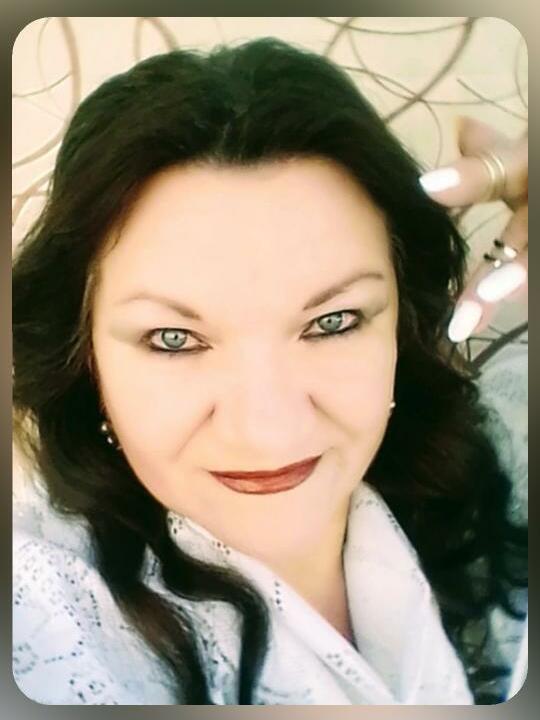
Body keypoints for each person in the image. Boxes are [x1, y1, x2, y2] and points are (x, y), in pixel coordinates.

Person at [12, 37, 527, 705]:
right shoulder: (44, 616)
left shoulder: (502, 461)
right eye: (174, 339)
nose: (267, 429)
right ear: (87, 356)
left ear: (402, 325)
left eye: (333, 322)